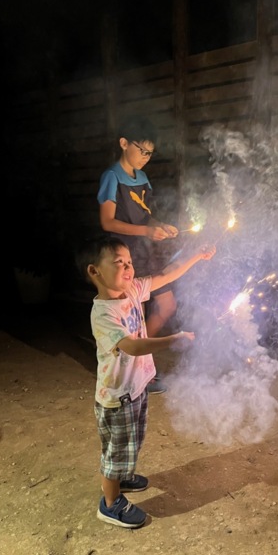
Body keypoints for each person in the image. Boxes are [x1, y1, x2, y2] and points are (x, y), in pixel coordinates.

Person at [76, 236, 216, 529]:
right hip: (117, 397)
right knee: (116, 452)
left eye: (129, 261)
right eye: (119, 263)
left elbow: (166, 275)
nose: (128, 267)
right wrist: (172, 341)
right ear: (94, 272)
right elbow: (132, 346)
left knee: (132, 441)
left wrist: (196, 255)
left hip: (136, 389)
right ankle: (110, 503)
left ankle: (123, 476)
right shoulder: (103, 313)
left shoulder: (132, 290)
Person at [97, 115, 179, 395]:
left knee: (167, 305)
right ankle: (137, 366)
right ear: (123, 144)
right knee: (135, 314)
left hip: (147, 250)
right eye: (141, 150)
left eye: (150, 153)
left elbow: (146, 215)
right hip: (125, 256)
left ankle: (135, 355)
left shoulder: (142, 178)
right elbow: (107, 222)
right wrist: (145, 231)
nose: (146, 157)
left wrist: (159, 227)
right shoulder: (111, 177)